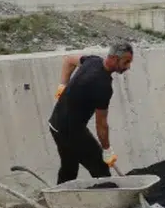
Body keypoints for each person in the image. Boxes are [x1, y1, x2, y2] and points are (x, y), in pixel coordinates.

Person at [48, 42, 134, 184]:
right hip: (71, 131)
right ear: (114, 58)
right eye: (126, 62)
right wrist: (107, 150)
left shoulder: (93, 61)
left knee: (69, 167)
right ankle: (108, 195)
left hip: (55, 124)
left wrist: (62, 85)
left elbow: (69, 60)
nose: (128, 66)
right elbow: (101, 124)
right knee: (100, 168)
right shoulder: (103, 86)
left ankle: (60, 195)